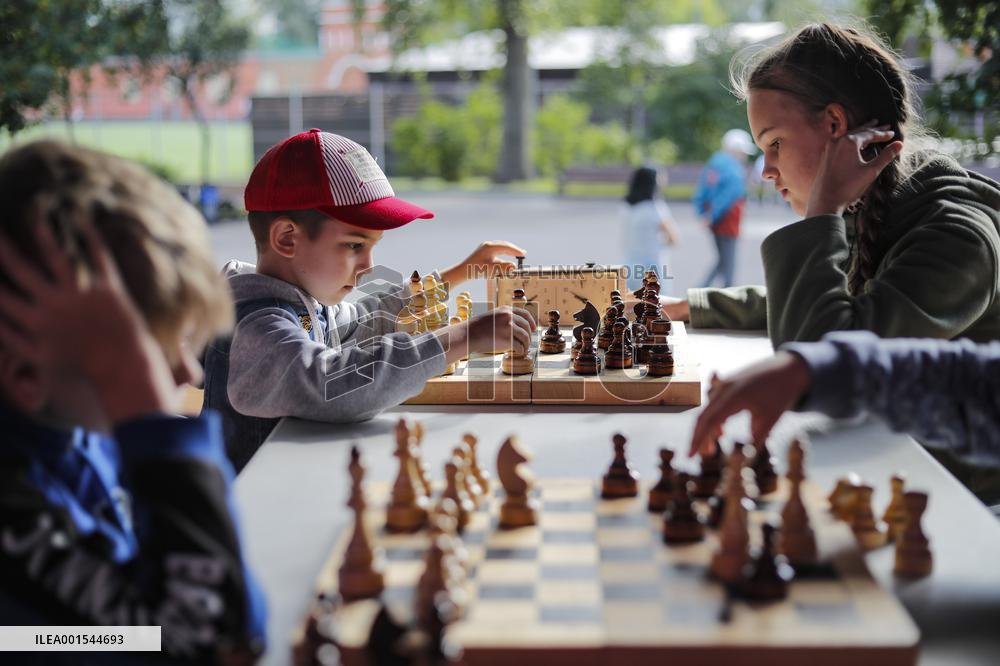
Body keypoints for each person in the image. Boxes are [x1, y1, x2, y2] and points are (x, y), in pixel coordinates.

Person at [0, 141, 266, 661]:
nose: (187, 372)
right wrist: (148, 415)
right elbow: (215, 645)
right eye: (140, 354)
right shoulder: (12, 519)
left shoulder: (74, 431)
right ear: (25, 373)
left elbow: (241, 617)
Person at [204, 129, 536, 471]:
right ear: (287, 238)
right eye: (354, 245)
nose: (368, 266)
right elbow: (332, 384)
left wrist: (459, 273)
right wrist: (463, 337)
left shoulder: (304, 305)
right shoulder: (259, 327)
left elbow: (367, 318)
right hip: (251, 508)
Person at [663, 23, 1000, 347]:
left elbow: (819, 351)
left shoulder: (957, 237)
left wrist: (823, 210)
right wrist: (694, 307)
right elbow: (828, 302)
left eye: (775, 143)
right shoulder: (877, 208)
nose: (766, 171)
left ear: (835, 124)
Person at [689, 331, 1000, 505]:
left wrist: (822, 219)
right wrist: (813, 369)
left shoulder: (958, 237)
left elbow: (813, 327)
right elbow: (982, 385)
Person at [693, 129, 756, 288]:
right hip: (727, 220)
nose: (744, 156)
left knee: (722, 259)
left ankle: (702, 289)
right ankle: (727, 297)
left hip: (714, 219)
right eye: (743, 152)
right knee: (728, 262)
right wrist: (712, 215)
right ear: (734, 149)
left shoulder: (714, 163)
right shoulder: (734, 169)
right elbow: (729, 196)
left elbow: (702, 191)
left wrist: (704, 214)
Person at [621, 166, 679, 292]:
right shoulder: (655, 208)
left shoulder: (626, 207)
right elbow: (673, 238)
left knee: (631, 309)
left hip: (629, 266)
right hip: (653, 267)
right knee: (659, 308)